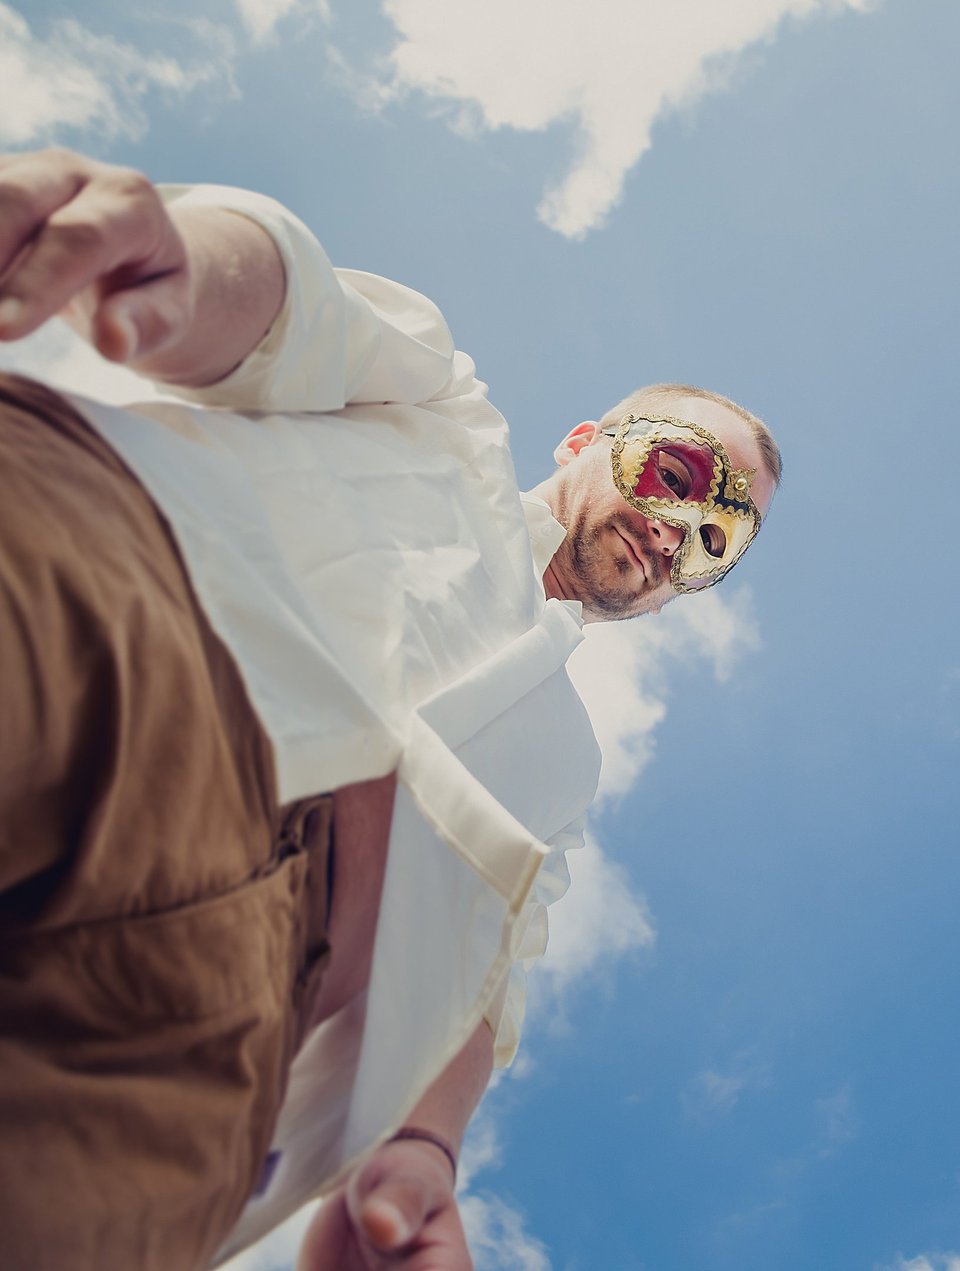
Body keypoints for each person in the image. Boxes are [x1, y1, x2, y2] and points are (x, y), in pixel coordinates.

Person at [0, 147, 781, 1268]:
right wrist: (179, 260)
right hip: (123, 619)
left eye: (718, 541)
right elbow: (284, 308)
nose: (680, 531)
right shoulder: (444, 416)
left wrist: (421, 1147)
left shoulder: (568, 767)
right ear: (585, 441)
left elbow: (485, 977)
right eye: (676, 474)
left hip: (214, 1025)